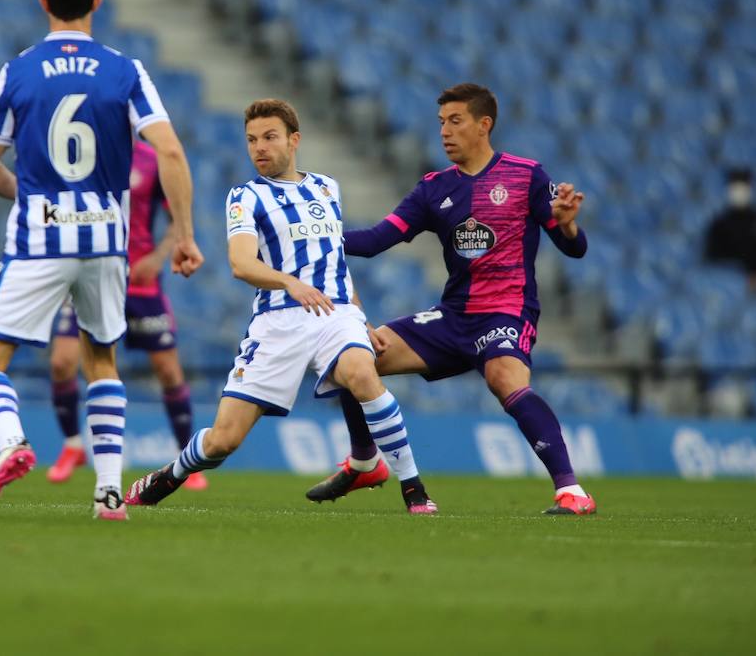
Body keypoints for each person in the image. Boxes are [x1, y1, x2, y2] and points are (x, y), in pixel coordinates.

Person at [0, 0, 203, 520]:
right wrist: (185, 236)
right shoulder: (125, 70)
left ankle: (13, 446)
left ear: (43, 2)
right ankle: (109, 493)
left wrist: (34, 199)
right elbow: (169, 149)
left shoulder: (17, 70)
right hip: (105, 242)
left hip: (40, 239)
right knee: (103, 360)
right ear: (97, 1)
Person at [126, 99, 437, 514]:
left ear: (294, 140)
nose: (259, 148)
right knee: (224, 440)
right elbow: (241, 263)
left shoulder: (327, 187)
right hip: (277, 323)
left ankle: (414, 489)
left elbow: (334, 261)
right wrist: (290, 282)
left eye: (269, 137)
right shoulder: (245, 196)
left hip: (334, 313)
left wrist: (360, 316)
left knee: (362, 373)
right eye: (252, 140)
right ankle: (173, 473)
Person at [313, 83, 596, 516]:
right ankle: (365, 461)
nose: (444, 131)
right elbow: (373, 241)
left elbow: (573, 248)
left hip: (506, 311)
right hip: (453, 317)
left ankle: (571, 491)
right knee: (355, 357)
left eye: (455, 121)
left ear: (484, 125)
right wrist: (309, 235)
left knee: (504, 378)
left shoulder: (527, 175)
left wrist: (568, 225)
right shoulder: (433, 189)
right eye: (441, 122)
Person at [46, 141, 207, 490]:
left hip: (140, 283)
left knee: (168, 369)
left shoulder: (153, 159)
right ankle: (73, 445)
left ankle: (187, 459)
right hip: (89, 275)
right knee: (62, 362)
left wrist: (158, 257)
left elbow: (174, 218)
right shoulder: (86, 153)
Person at [704, 168, 756, 293]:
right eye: (735, 188)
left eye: (743, 188)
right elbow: (712, 257)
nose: (739, 193)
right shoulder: (720, 225)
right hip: (728, 288)